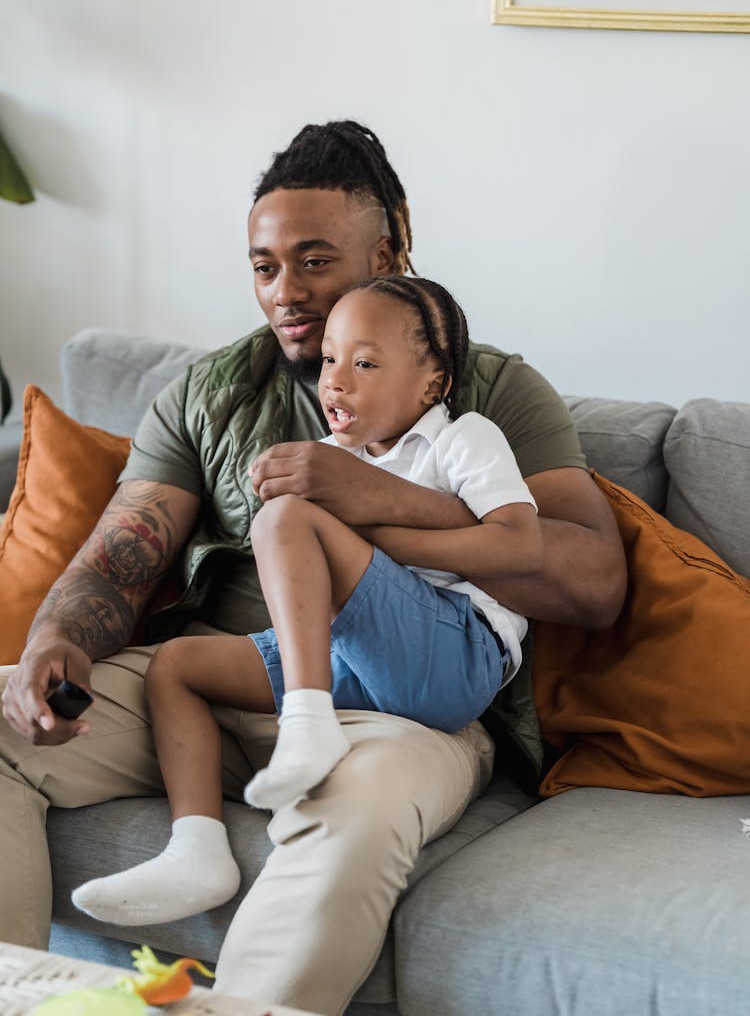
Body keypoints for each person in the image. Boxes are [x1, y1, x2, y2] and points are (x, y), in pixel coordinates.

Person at [0, 119, 627, 1016]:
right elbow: (119, 554)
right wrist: (54, 637)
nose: (287, 293)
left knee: (356, 814)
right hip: (236, 672)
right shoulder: (209, 394)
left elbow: (594, 580)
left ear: (389, 251)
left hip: (400, 702)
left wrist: (374, 499)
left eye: (316, 261)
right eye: (265, 266)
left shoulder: (483, 392)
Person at [69, 275, 542, 927]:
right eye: (329, 359)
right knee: (177, 665)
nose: (336, 381)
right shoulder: (327, 456)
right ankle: (198, 850)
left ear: (433, 383)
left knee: (284, 518)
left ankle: (306, 721)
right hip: (355, 654)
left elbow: (523, 546)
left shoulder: (463, 438)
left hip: (453, 654)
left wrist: (368, 533)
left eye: (366, 363)